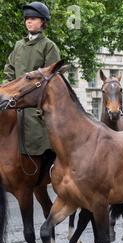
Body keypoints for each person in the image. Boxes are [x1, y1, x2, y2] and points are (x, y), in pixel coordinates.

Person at [4, 2, 60, 157]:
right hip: (14, 101)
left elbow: (51, 79)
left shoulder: (49, 46)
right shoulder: (18, 45)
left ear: (42, 22)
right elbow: (9, 69)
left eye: (33, 18)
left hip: (36, 105)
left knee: (41, 141)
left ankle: (48, 167)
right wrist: (7, 89)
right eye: (27, 18)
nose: (28, 21)